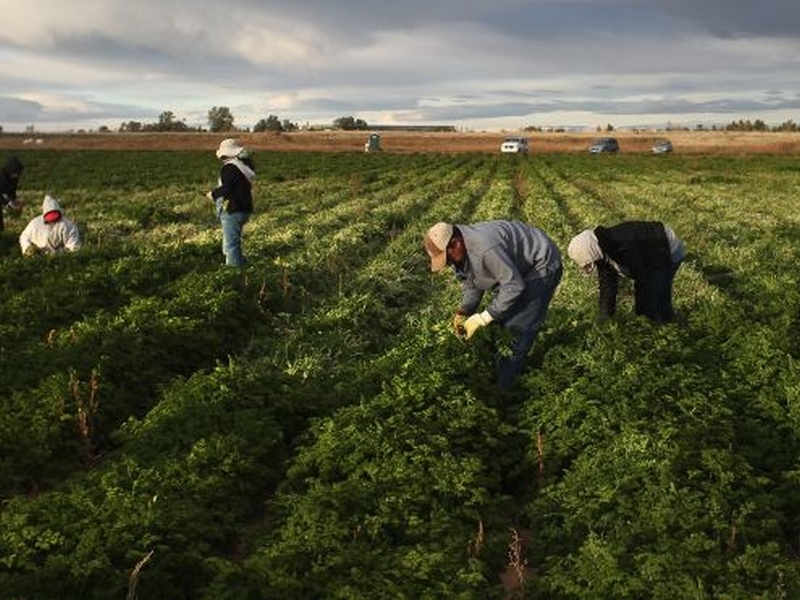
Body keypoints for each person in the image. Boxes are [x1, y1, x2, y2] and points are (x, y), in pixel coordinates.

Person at [424, 220, 563, 389]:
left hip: (541, 264)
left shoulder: (484, 248)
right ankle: (497, 373)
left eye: (447, 258)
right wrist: (464, 310)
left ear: (455, 243)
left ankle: (503, 391)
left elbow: (513, 286)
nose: (449, 264)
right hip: (516, 270)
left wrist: (484, 317)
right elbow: (471, 282)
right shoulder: (462, 252)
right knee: (500, 323)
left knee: (515, 331)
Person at [567, 221, 685, 323]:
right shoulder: (602, 249)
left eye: (589, 263)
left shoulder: (622, 245)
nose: (591, 266)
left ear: (592, 251)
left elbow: (643, 278)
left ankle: (660, 327)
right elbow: (607, 284)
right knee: (656, 299)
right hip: (649, 253)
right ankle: (667, 320)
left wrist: (641, 313)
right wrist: (605, 314)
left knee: (654, 297)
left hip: (667, 247)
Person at [208, 138, 255, 267]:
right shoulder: (243, 166)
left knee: (230, 245)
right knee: (234, 242)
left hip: (233, 209)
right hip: (244, 209)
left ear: (224, 154)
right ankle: (243, 266)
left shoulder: (229, 168)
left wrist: (213, 194)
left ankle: (234, 272)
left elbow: (227, 189)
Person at [0, 155, 24, 232]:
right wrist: (9, 203)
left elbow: (12, 191)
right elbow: (2, 193)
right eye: (17, 172)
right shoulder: (2, 177)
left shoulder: (14, 178)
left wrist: (14, 200)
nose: (18, 175)